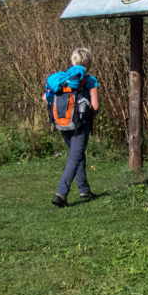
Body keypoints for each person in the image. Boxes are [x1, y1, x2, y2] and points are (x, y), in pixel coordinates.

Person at [51, 48, 100, 207]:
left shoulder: (62, 80)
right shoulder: (90, 80)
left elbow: (46, 98)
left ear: (73, 61)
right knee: (74, 157)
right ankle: (61, 193)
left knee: (77, 154)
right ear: (88, 63)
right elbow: (95, 106)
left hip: (62, 122)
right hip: (80, 124)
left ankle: (84, 189)